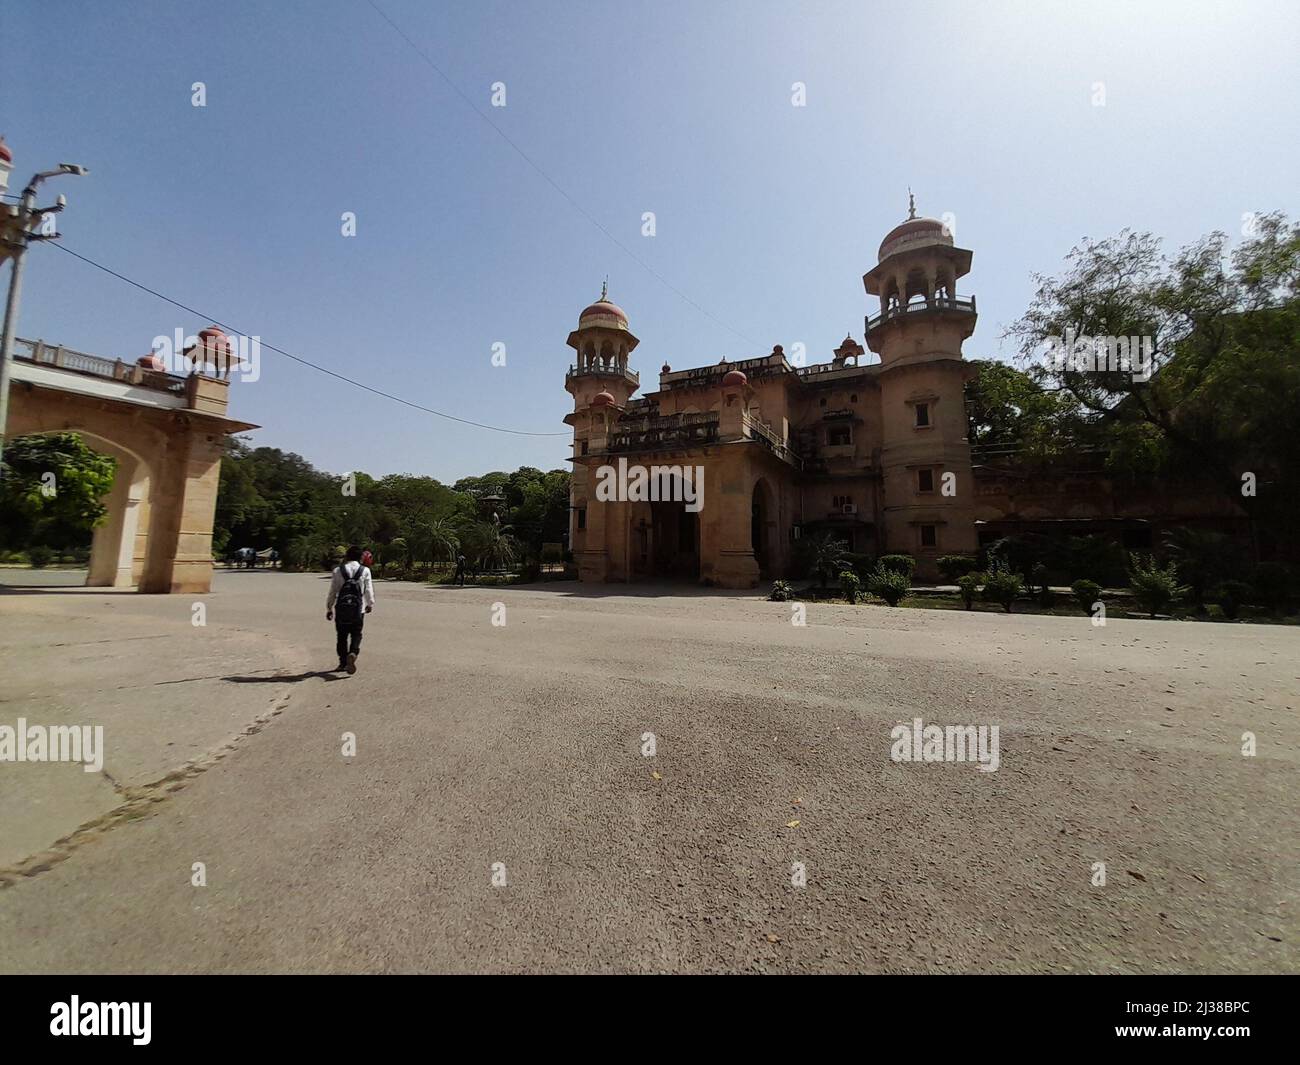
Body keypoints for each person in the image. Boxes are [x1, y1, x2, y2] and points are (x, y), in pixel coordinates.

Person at [326, 546, 375, 674]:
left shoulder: (337, 570)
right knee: (356, 633)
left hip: (342, 608)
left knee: (341, 636)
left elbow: (333, 591)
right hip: (359, 609)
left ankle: (342, 662)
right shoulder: (365, 571)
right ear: (361, 557)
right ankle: (353, 652)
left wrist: (329, 607)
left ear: (346, 556)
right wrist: (370, 603)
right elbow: (368, 589)